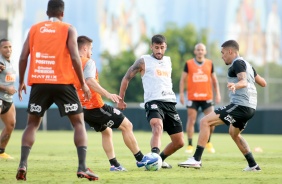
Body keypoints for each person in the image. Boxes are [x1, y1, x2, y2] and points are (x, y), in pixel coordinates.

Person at [16, 0, 98, 181]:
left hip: (39, 82)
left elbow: (23, 57)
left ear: (47, 12)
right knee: (78, 123)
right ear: (62, 13)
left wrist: (21, 81)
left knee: (32, 125)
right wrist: (83, 83)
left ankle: (22, 164)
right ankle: (82, 166)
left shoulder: (34, 29)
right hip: (63, 83)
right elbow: (76, 57)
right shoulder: (68, 28)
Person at [178, 40, 267, 171]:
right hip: (251, 107)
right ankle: (253, 165)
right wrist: (247, 79)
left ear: (230, 51)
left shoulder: (237, 63)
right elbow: (263, 83)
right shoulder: (247, 65)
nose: (222, 56)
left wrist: (235, 85)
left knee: (204, 121)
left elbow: (243, 81)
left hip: (240, 105)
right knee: (234, 133)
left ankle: (196, 159)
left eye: (223, 53)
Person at [74, 35, 158, 171]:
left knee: (106, 131)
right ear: (84, 48)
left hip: (82, 109)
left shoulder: (70, 63)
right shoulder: (87, 62)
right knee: (127, 125)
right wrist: (107, 94)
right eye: (91, 49)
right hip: (95, 107)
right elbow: (89, 81)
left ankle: (115, 165)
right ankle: (141, 159)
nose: (91, 52)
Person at [118, 34, 185, 169]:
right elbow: (126, 78)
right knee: (157, 125)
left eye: (161, 47)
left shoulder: (168, 61)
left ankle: (159, 159)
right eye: (156, 47)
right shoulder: (143, 61)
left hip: (170, 102)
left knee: (179, 142)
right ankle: (154, 155)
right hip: (153, 101)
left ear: (165, 47)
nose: (159, 51)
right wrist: (121, 99)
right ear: (151, 47)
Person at [179, 43, 221, 154]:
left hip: (207, 97)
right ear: (195, 51)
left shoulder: (210, 63)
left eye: (202, 50)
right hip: (193, 97)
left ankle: (208, 142)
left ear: (205, 52)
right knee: (191, 120)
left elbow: (215, 80)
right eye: (198, 49)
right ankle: (190, 144)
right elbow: (182, 80)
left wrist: (218, 94)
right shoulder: (188, 64)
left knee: (212, 121)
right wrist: (182, 95)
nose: (200, 51)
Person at [0, 38, 17, 160]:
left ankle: (1, 152)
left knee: (10, 124)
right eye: (5, 47)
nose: (8, 49)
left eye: (10, 47)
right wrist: (6, 89)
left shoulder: (10, 62)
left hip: (8, 99)